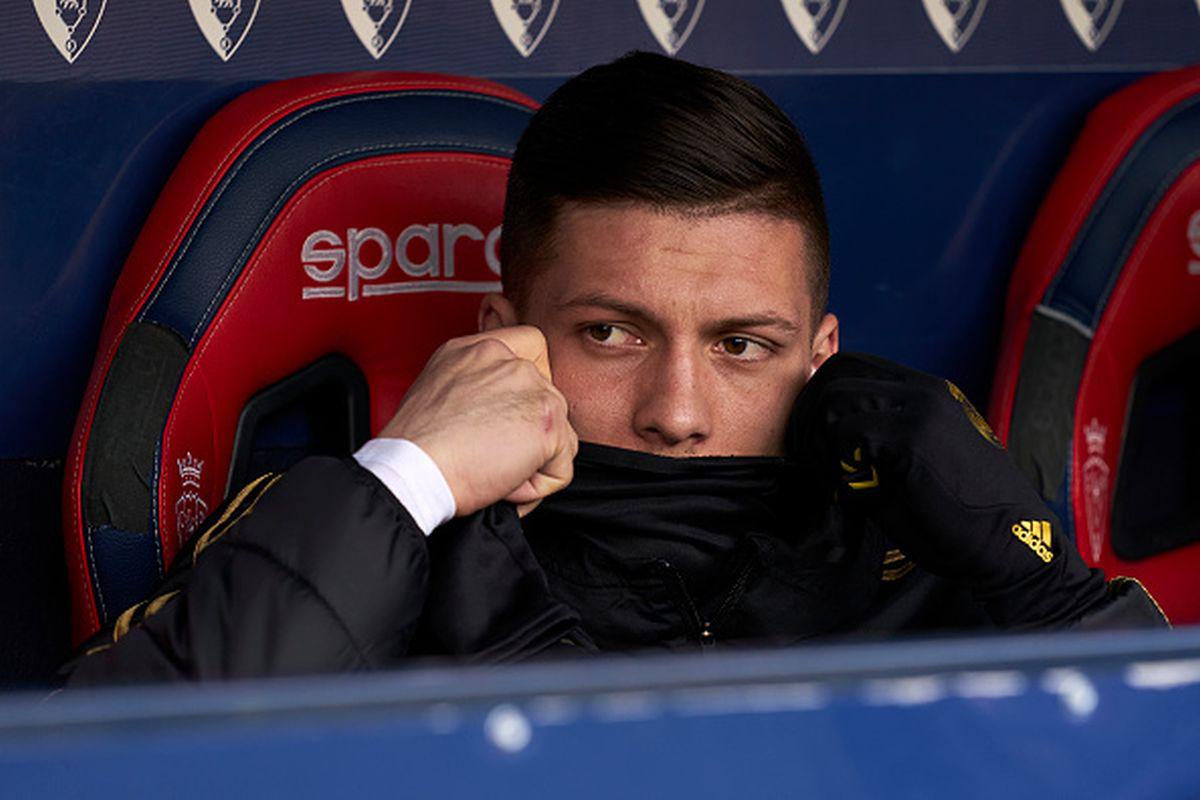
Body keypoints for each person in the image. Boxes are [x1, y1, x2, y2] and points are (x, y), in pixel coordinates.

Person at [62, 52, 1166, 684]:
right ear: (502, 333)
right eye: (612, 334)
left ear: (821, 357)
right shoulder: (373, 531)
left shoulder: (917, 539)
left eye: (744, 346)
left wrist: (1049, 589)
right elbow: (109, 762)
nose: (678, 411)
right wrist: (411, 479)